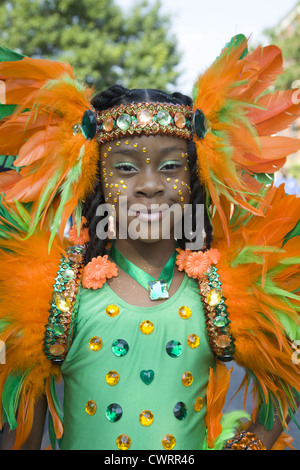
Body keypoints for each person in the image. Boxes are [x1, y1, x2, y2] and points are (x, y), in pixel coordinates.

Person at [0, 36, 299, 451]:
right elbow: (21, 431)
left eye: (171, 166)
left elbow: (284, 376)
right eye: (125, 167)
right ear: (95, 180)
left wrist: (247, 445)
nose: (150, 186)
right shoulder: (55, 295)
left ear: (194, 178)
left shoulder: (222, 292)